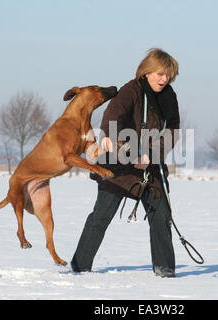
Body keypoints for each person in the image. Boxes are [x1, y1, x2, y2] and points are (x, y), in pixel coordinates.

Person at [70, 48, 180, 277]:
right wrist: (123, 148)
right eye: (160, 73)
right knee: (101, 216)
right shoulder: (131, 91)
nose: (164, 79)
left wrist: (152, 155)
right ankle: (80, 266)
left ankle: (165, 270)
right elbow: (113, 116)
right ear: (147, 72)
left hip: (151, 166)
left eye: (168, 75)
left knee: (161, 216)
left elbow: (172, 131)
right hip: (119, 167)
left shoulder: (169, 97)